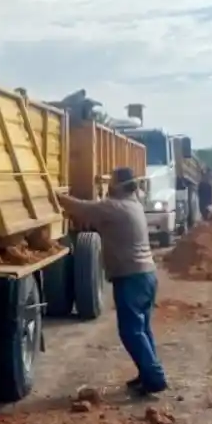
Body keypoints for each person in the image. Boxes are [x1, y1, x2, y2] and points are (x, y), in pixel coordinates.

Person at [57, 166, 168, 396]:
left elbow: (79, 208)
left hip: (131, 277)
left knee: (131, 332)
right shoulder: (133, 204)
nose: (107, 185)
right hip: (145, 276)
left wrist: (55, 195)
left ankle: (154, 377)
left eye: (111, 182)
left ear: (117, 185)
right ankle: (147, 373)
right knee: (142, 330)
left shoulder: (113, 207)